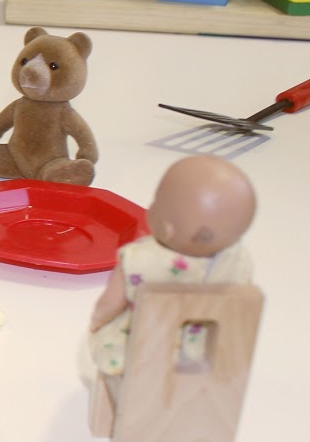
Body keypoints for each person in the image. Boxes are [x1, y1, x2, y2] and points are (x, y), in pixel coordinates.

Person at [87, 155, 255, 377]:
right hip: (206, 358)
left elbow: (109, 305)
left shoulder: (139, 260)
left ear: (167, 229)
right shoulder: (238, 261)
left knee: (107, 341)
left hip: (142, 355)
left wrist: (97, 322)